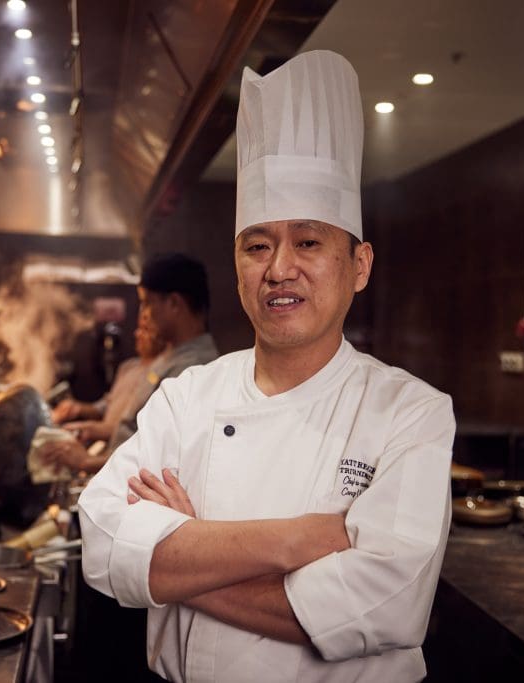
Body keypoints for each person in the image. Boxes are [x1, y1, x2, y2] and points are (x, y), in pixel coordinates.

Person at [77, 50, 455, 683]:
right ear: (237, 266)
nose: (280, 268)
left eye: (307, 241)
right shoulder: (187, 396)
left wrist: (183, 556)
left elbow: (383, 606)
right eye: (258, 245)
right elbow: (103, 543)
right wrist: (294, 540)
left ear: (358, 265)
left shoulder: (410, 412)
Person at [39, 252, 219, 475]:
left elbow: (161, 461)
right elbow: (132, 429)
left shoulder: (195, 368)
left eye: (147, 303)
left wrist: (85, 462)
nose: (143, 314)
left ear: (174, 303)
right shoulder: (168, 357)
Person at [52, 313, 168, 444]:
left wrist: (88, 429)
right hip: (106, 444)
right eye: (138, 329)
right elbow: (107, 404)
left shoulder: (161, 373)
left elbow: (134, 427)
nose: (137, 334)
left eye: (145, 331)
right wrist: (78, 408)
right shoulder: (128, 367)